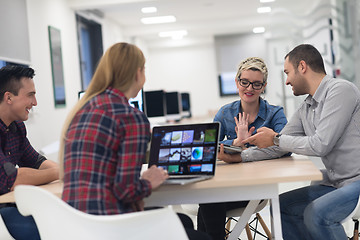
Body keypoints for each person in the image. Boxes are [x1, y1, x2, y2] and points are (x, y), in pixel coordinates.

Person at [59, 42, 210, 239]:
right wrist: (148, 181)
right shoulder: (131, 117)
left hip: (76, 226)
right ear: (138, 73)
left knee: (183, 222)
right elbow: (126, 191)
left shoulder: (81, 110)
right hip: (112, 227)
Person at [242, 44, 360, 240]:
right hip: (335, 182)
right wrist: (240, 156)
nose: (287, 81)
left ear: (302, 67)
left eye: (287, 72)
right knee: (280, 207)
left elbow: (320, 144)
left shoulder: (340, 91)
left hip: (356, 181)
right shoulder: (307, 107)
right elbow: (276, 147)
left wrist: (275, 139)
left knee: (318, 214)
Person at [197, 57, 288, 240]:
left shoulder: (275, 113)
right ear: (237, 82)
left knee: (208, 204)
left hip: (259, 187)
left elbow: (286, 145)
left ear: (264, 86)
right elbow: (206, 147)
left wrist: (247, 146)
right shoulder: (225, 112)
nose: (249, 88)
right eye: (244, 82)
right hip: (229, 185)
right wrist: (236, 142)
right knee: (208, 201)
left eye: (256, 84)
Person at [0, 65, 59, 240]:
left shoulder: (16, 127)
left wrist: (70, 171)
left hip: (8, 205)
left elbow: (36, 161)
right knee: (47, 227)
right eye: (30, 95)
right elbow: (12, 178)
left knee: (59, 215)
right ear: (9, 97)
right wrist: (61, 172)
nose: (35, 103)